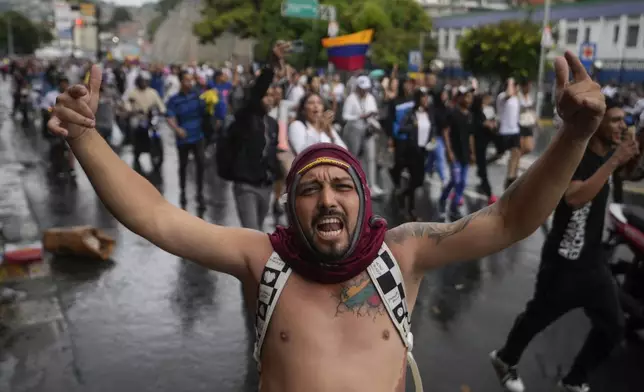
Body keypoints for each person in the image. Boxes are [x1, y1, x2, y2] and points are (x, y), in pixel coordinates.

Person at [49, 50, 605, 392]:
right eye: (309, 190)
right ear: (292, 207)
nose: (328, 199)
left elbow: (509, 218)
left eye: (342, 186)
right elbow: (155, 216)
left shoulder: (404, 253)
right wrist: (84, 135)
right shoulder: (262, 259)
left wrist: (574, 136)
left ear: (365, 199)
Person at [490, 96, 639, 392]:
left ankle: (575, 379)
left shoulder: (608, 155)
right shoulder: (577, 156)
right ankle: (505, 359)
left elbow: (631, 172)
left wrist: (632, 150)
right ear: (596, 125)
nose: (622, 126)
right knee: (537, 317)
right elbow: (574, 197)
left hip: (594, 264)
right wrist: (613, 162)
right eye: (615, 120)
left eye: (624, 120)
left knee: (613, 327)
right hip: (563, 264)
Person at [166, 71, 207, 211]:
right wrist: (177, 129)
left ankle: (200, 194)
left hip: (198, 136)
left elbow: (207, 111)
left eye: (191, 80)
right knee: (183, 165)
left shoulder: (197, 96)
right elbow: (169, 116)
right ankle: (182, 191)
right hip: (183, 137)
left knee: (201, 163)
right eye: (186, 80)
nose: (189, 83)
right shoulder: (174, 99)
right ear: (181, 82)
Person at [396, 87, 435, 221]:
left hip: (424, 150)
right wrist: (413, 125)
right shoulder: (411, 113)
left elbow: (432, 128)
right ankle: (411, 210)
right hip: (413, 150)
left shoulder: (429, 113)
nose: (425, 100)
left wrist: (432, 140)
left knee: (420, 180)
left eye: (426, 97)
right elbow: (401, 128)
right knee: (414, 178)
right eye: (423, 97)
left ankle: (403, 194)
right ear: (418, 99)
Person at [440, 86, 475, 221]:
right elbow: (445, 132)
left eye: (470, 97)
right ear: (460, 97)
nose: (469, 99)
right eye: (466, 96)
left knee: (462, 183)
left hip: (465, 154)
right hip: (455, 153)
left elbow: (470, 135)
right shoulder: (452, 113)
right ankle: (443, 200)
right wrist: (449, 151)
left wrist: (472, 153)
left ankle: (454, 207)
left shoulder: (469, 115)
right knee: (456, 180)